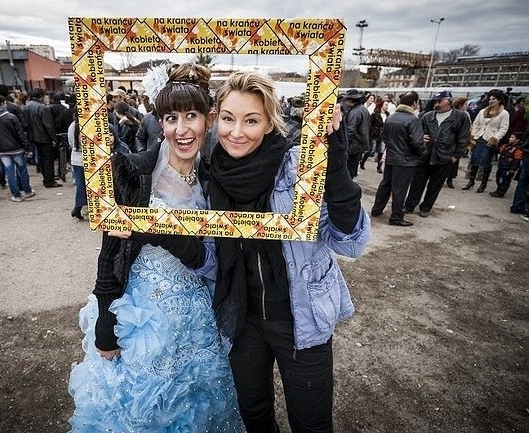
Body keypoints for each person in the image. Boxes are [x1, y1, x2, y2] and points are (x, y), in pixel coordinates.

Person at [67, 63, 244, 432]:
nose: (181, 129)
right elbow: (110, 255)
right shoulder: (134, 173)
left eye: (191, 116)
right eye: (170, 118)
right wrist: (105, 323)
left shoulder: (215, 177)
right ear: (159, 122)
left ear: (208, 121)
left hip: (198, 318)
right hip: (142, 320)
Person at [208, 71, 370, 433]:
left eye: (251, 120)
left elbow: (350, 241)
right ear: (216, 118)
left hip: (302, 319)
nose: (236, 131)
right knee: (254, 414)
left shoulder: (299, 167)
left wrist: (336, 161)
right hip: (242, 318)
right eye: (228, 118)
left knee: (310, 423)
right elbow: (209, 259)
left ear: (268, 124)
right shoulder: (210, 173)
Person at [403, 91, 470, 218]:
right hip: (425, 155)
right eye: (435, 101)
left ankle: (426, 207)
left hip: (444, 157)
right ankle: (409, 205)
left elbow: (463, 138)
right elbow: (416, 132)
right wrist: (421, 137)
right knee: (417, 183)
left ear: (449, 101)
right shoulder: (427, 116)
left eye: (439, 101)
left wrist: (455, 156)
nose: (436, 104)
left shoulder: (460, 117)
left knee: (435, 185)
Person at [371, 90, 427, 226]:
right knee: (400, 189)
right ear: (415, 103)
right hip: (406, 160)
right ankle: (396, 217)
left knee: (386, 185)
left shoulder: (392, 117)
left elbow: (384, 136)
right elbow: (417, 142)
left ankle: (376, 209)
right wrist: (423, 152)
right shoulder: (413, 120)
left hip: (391, 156)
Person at [0, 94, 35, 203]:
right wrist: (27, 147)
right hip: (17, 148)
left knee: (9, 173)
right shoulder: (11, 117)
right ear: (3, 103)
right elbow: (20, 134)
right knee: (22, 170)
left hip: (2, 150)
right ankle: (27, 191)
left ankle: (16, 195)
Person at [464, 89, 510, 193]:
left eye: (493, 99)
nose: (491, 101)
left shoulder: (504, 113)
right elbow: (476, 124)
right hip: (479, 138)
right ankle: (471, 182)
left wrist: (495, 138)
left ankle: (483, 184)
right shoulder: (482, 111)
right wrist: (473, 136)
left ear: (499, 100)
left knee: (486, 163)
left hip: (489, 140)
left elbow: (503, 128)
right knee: (474, 160)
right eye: (490, 99)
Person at [23, 88, 62, 188]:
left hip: (33, 136)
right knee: (48, 159)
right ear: (41, 96)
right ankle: (49, 180)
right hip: (44, 137)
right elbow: (49, 126)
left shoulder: (27, 106)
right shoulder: (43, 108)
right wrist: (53, 139)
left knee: (41, 158)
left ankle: (46, 178)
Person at [344, 89, 370, 178]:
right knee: (353, 169)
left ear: (350, 100)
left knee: (348, 171)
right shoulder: (364, 110)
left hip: (352, 146)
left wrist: (344, 145)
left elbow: (350, 130)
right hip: (359, 145)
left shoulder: (354, 112)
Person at [490, 131, 524, 198]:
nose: (510, 138)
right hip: (502, 166)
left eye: (512, 137)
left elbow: (517, 160)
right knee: (498, 179)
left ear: (517, 140)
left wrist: (513, 169)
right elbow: (498, 150)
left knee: (505, 181)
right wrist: (492, 145)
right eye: (510, 137)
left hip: (508, 168)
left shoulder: (518, 149)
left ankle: (501, 192)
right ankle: (498, 190)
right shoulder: (506, 146)